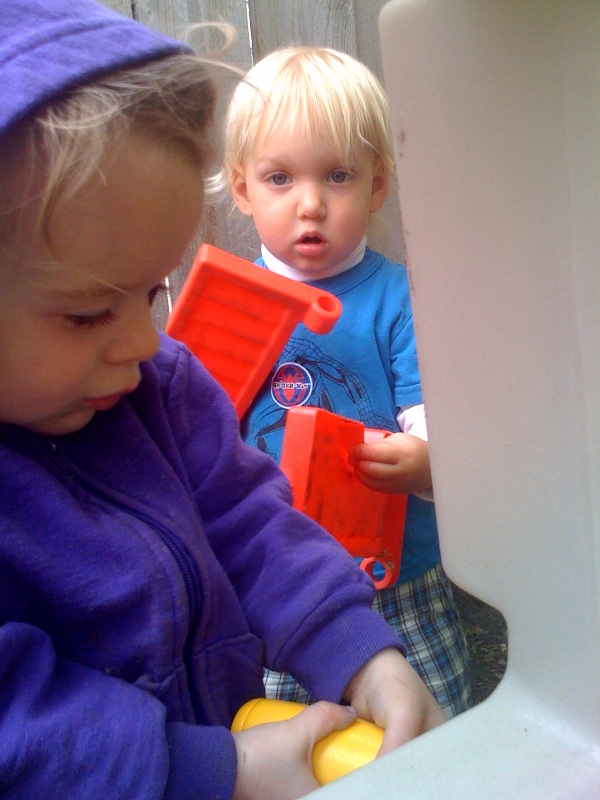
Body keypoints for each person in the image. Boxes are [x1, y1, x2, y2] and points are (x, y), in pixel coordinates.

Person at [0, 3, 448, 799]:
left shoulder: (158, 388)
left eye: (151, 293)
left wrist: (359, 650)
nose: (145, 342)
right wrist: (211, 770)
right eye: (88, 313)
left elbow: (247, 520)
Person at [221, 46, 473, 717]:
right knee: (296, 734)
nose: (310, 204)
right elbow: (202, 432)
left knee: (431, 724)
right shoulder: (231, 304)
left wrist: (426, 461)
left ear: (377, 186)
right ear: (242, 189)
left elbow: (431, 415)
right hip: (279, 579)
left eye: (337, 176)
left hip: (396, 575)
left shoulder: (398, 298)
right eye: (279, 178)